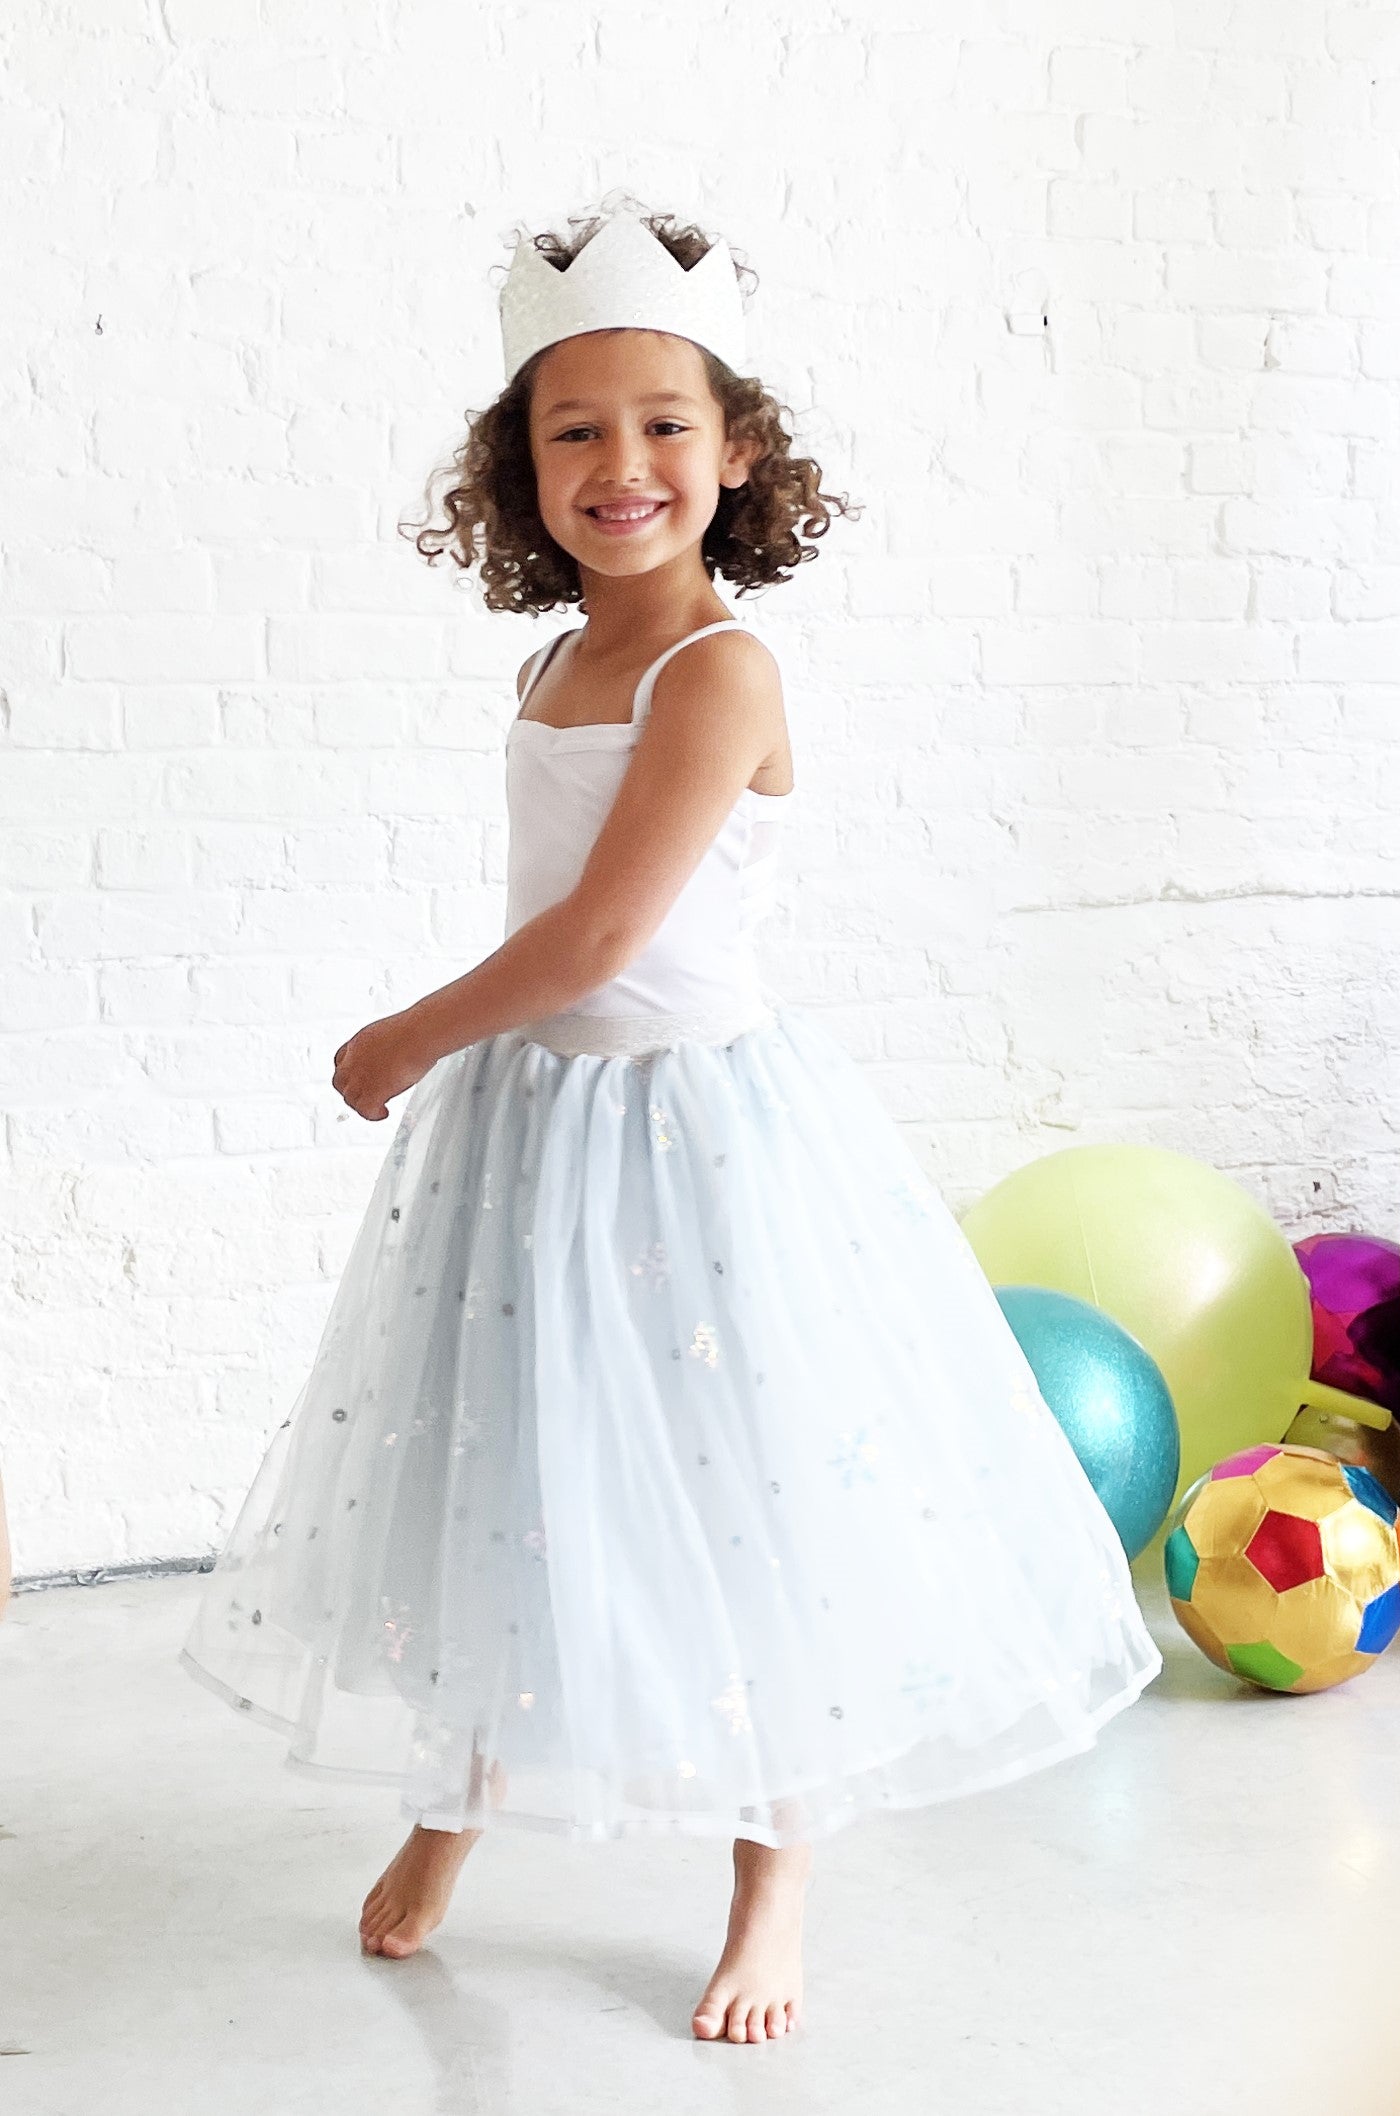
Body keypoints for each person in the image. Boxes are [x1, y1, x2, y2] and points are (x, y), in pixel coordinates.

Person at [179, 196, 1163, 2046]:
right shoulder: (554, 662)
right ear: (519, 468)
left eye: (661, 424)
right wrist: (476, 1062)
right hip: (534, 1134)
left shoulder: (719, 671)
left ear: (737, 451)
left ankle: (770, 1878)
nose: (618, 465)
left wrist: (406, 1035)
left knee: (741, 1503)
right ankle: (454, 1799)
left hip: (693, 1141)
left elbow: (604, 935)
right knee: (503, 1474)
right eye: (573, 431)